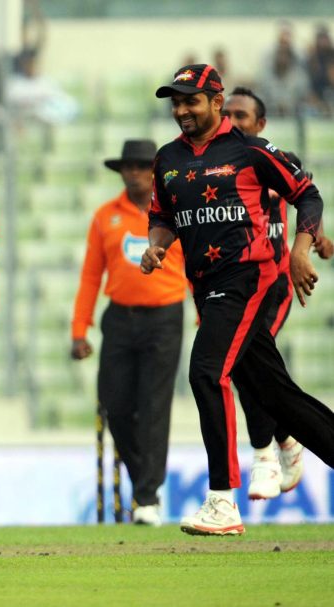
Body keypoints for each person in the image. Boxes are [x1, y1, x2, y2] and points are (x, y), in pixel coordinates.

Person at [141, 64, 334, 536]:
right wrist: (157, 244)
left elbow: (307, 194)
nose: (182, 110)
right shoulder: (167, 157)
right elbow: (161, 214)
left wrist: (300, 250)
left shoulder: (251, 150)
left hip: (246, 279)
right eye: (176, 102)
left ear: (216, 100)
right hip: (205, 288)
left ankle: (222, 501)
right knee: (277, 397)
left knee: (206, 372)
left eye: (191, 100)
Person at [220, 87, 333, 501]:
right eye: (227, 113)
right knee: (254, 371)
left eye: (241, 114)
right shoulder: (219, 168)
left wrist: (315, 240)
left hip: (272, 285)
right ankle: (284, 441)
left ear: (260, 124)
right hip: (233, 286)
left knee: (245, 364)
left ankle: (264, 454)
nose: (233, 120)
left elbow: (305, 198)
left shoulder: (268, 161)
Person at [71, 139, 187, 527]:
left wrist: (205, 314)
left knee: (154, 406)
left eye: (142, 166)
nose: (134, 172)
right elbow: (91, 274)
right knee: (115, 405)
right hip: (119, 317)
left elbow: (198, 267)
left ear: (154, 172)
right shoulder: (106, 216)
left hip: (165, 316)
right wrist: (79, 328)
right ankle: (145, 488)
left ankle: (147, 497)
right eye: (129, 166)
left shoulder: (175, 214)